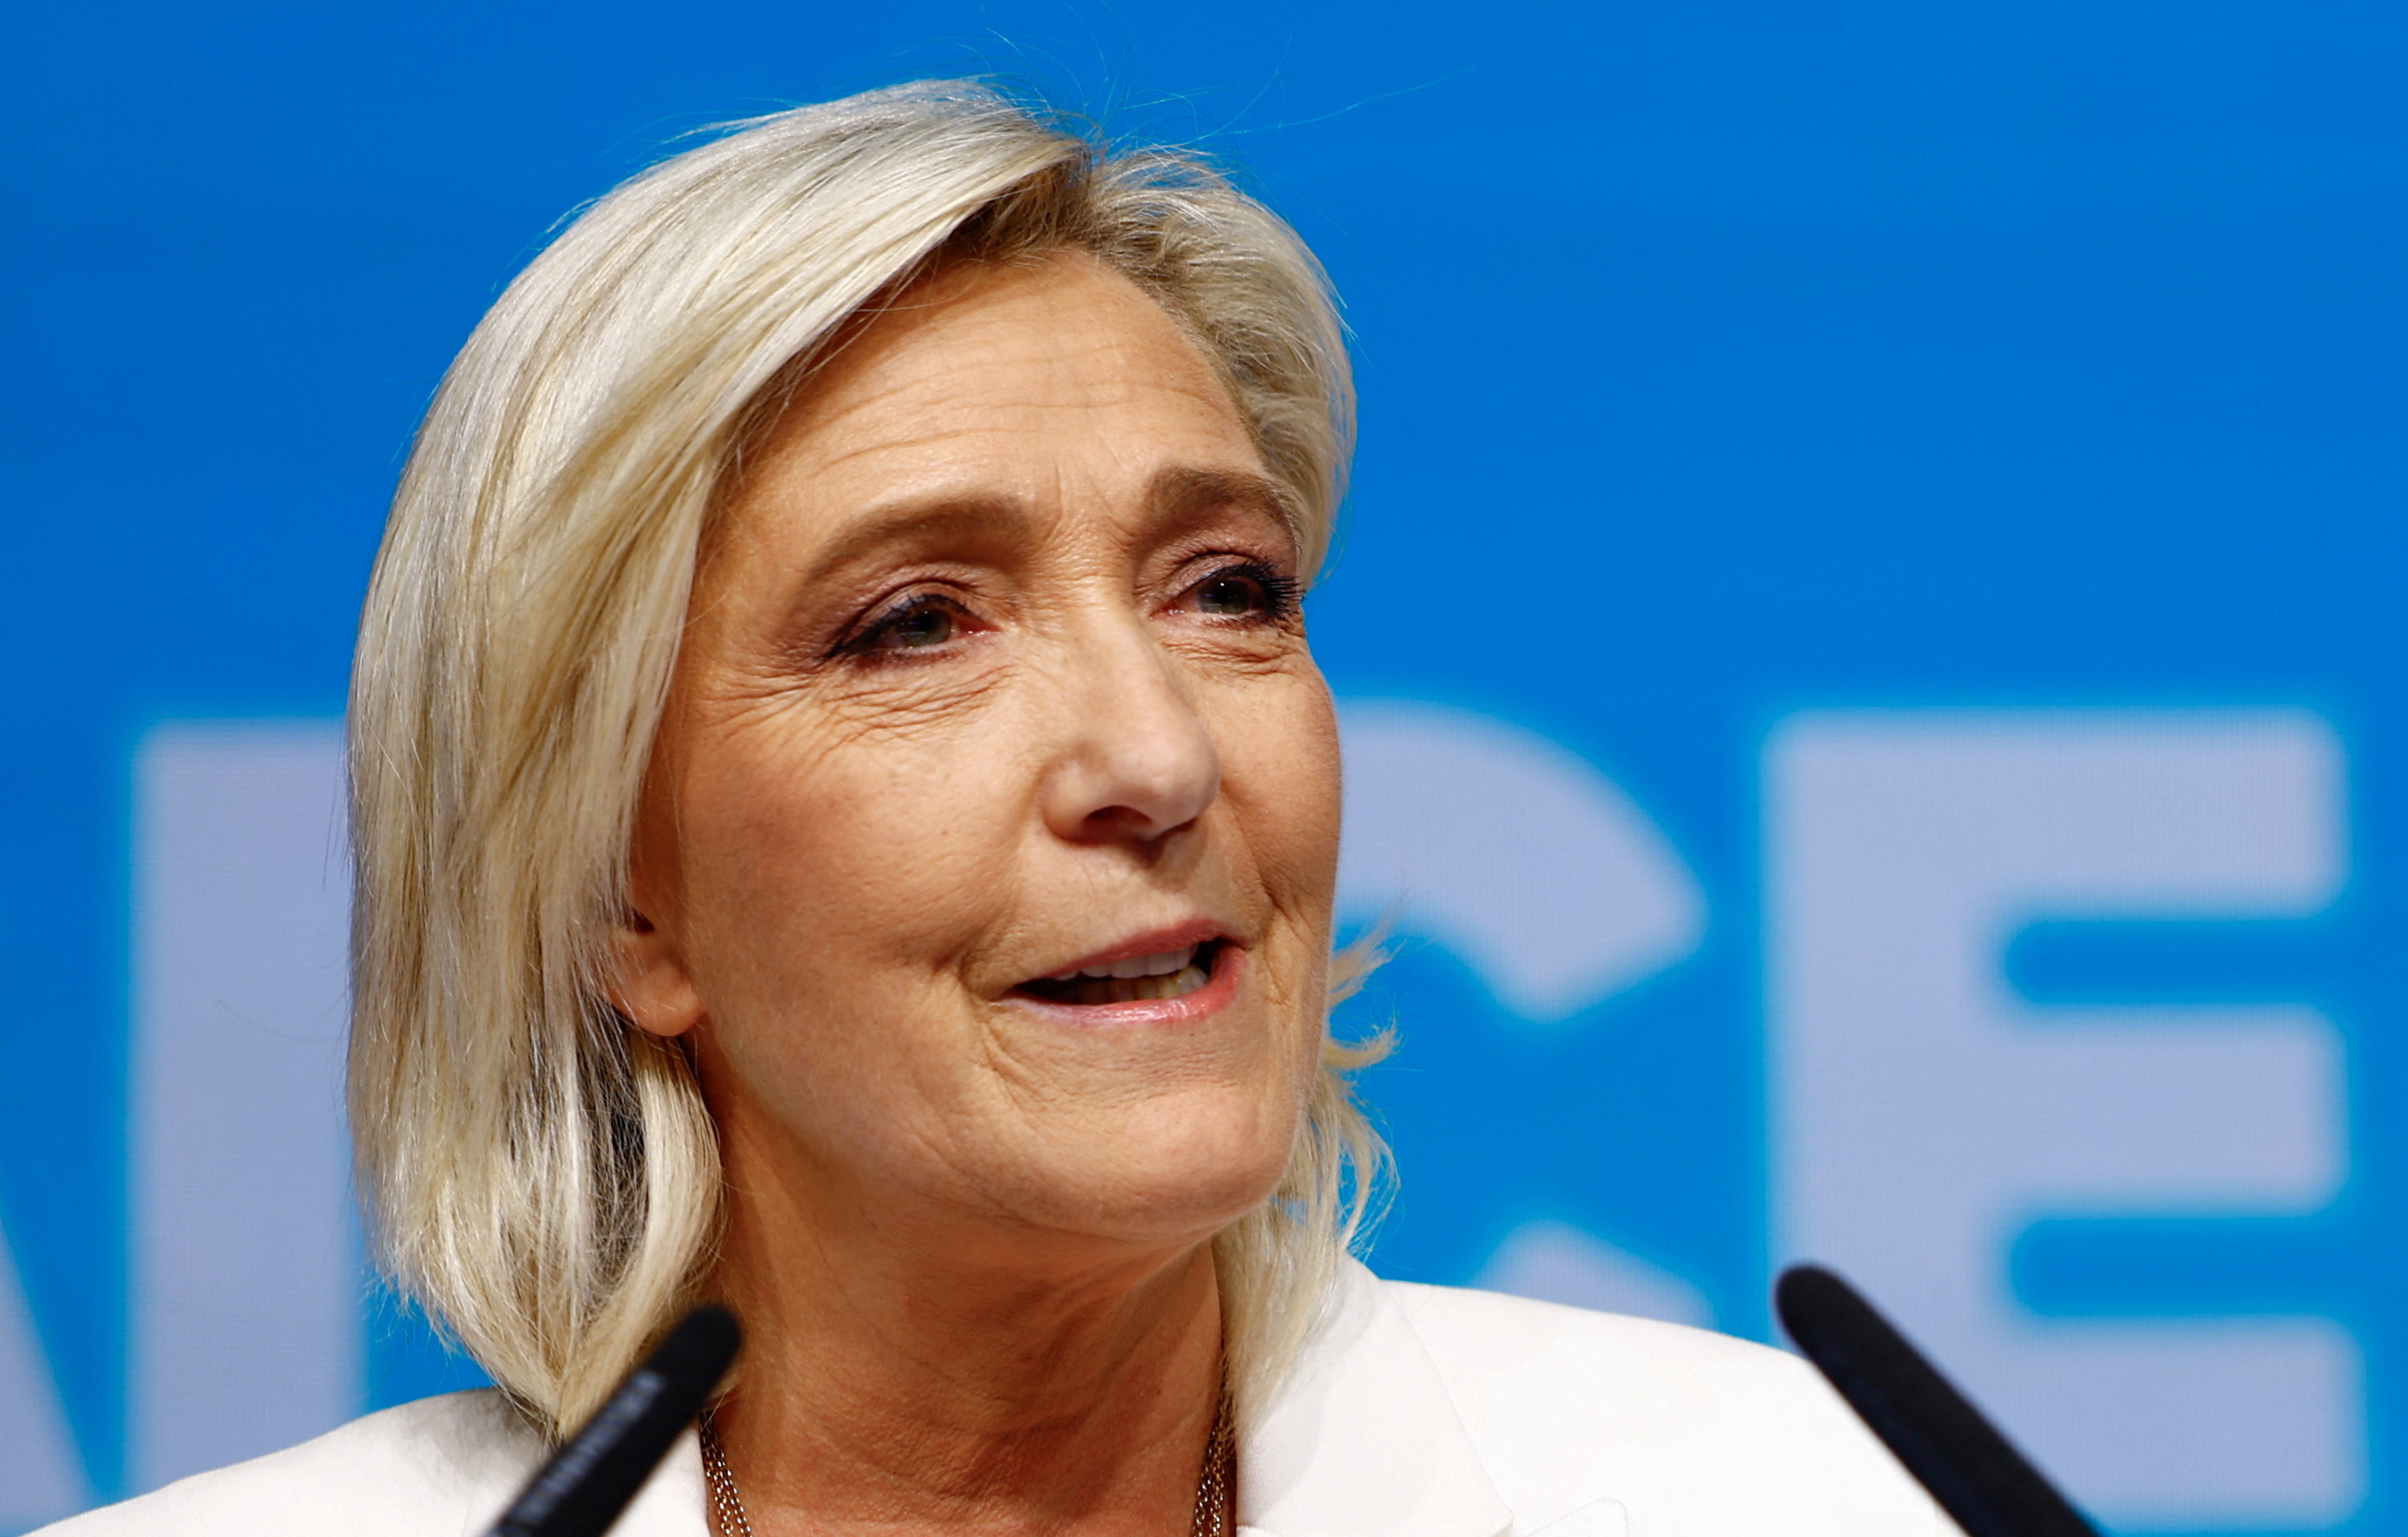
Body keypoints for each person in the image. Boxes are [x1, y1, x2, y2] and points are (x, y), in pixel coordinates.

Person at [46, 83, 1943, 1536]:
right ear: (624, 902)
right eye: (914, 626)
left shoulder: (1790, 1498)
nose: (1160, 758)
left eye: (1227, 591)